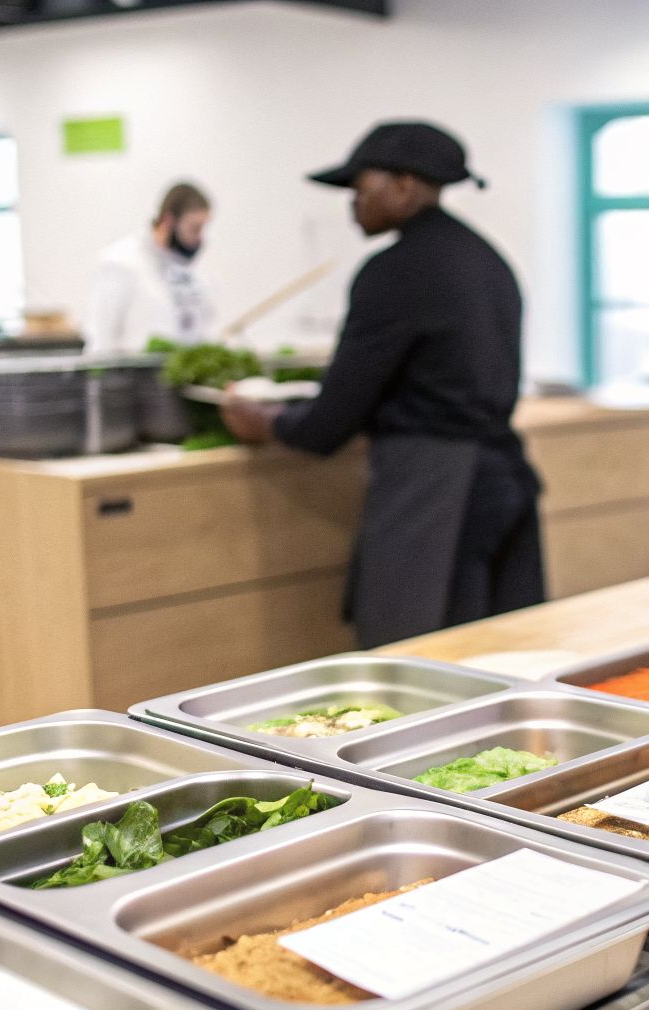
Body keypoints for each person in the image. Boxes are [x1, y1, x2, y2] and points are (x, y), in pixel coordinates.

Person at [220, 121, 544, 647]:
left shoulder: (395, 270)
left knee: (416, 661)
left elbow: (334, 419)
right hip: (504, 477)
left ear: (404, 186)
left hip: (434, 486)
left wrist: (270, 422)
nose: (353, 203)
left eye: (360, 186)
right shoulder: (487, 259)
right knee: (495, 655)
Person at [83, 182, 216, 354]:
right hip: (130, 378)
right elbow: (100, 338)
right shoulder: (120, 262)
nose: (199, 238)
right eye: (194, 228)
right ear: (168, 220)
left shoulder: (188, 271)